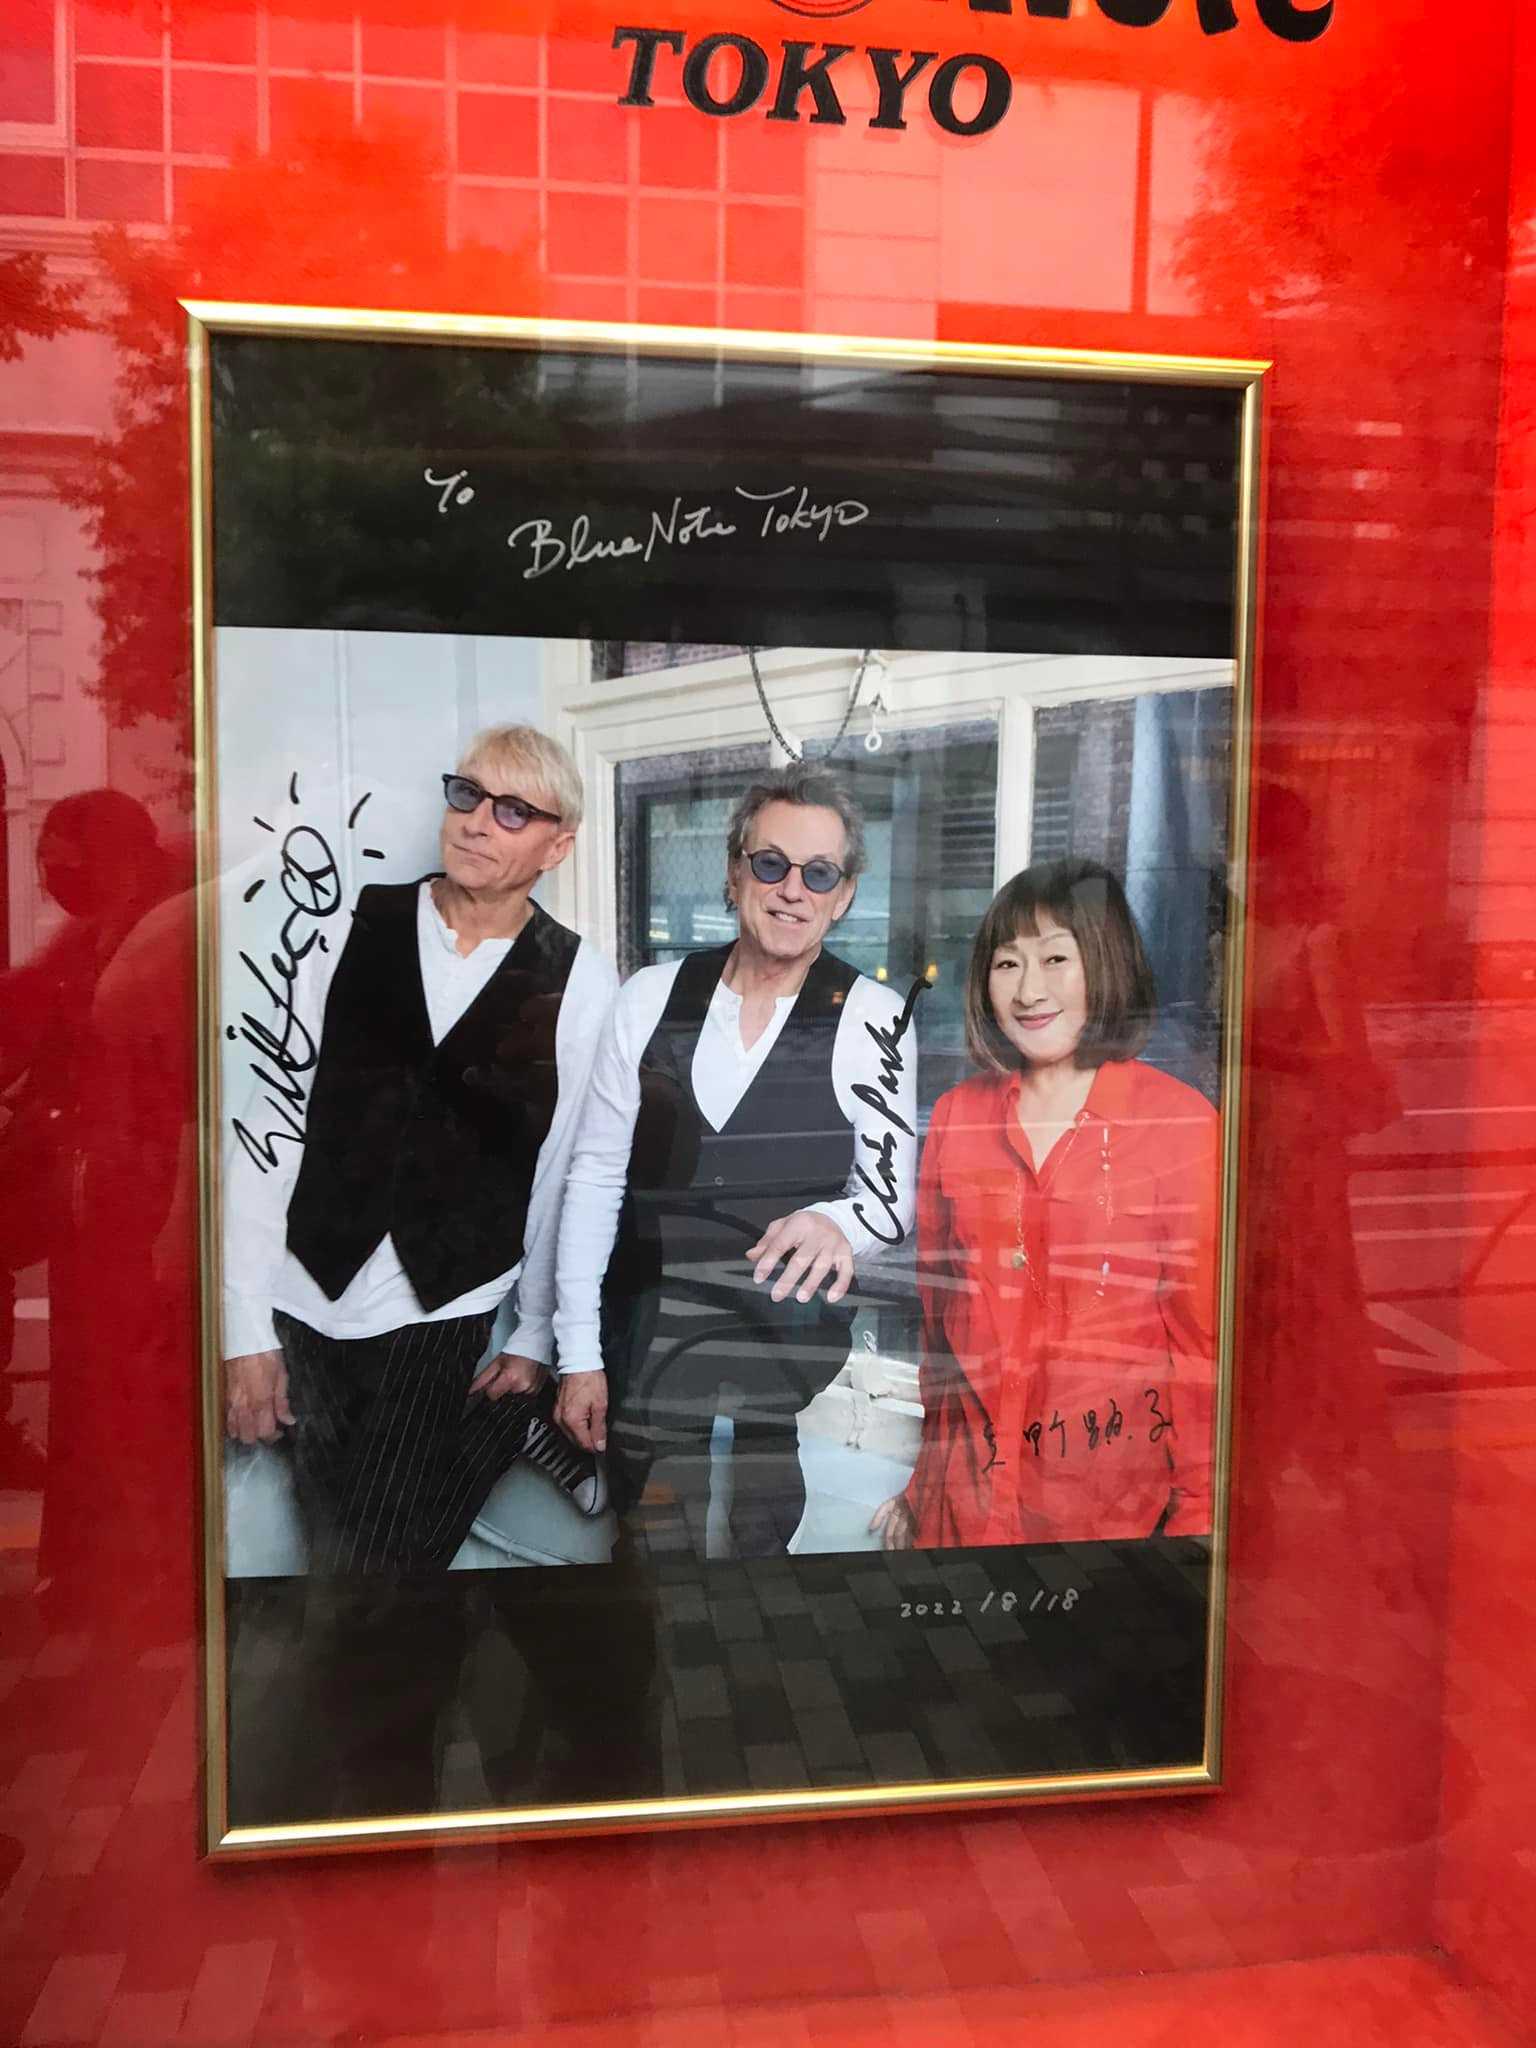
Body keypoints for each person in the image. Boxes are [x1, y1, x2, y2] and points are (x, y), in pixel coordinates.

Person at [221, 724, 615, 1574]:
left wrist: (537, 1333)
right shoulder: (346, 929)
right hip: (308, 1289)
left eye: (513, 811)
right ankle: (507, 1429)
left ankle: (506, 1419)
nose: (476, 821)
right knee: (333, 1550)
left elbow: (561, 1166)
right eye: (467, 794)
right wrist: (243, 1325)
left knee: (376, 1570)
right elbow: (270, 1127)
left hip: (444, 1298)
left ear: (559, 846)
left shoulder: (579, 978)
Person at [552, 762, 919, 1560]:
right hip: (647, 1341)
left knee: (762, 1544)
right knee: (650, 1552)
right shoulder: (647, 998)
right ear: (734, 872)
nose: (793, 890)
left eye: (819, 873)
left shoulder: (873, 1017)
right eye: (771, 863)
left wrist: (838, 1221)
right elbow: (593, 1180)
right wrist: (577, 1352)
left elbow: (890, 1199)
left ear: (844, 895)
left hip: (777, 1348)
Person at [873, 857, 1218, 1552]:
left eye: (1056, 958)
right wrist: (922, 1486)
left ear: (1106, 964)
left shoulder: (1179, 1124)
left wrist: (1196, 1524)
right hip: (962, 1508)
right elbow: (942, 1327)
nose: (1029, 991)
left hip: (1108, 1524)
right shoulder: (957, 1116)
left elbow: (1200, 1351)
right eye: (1008, 964)